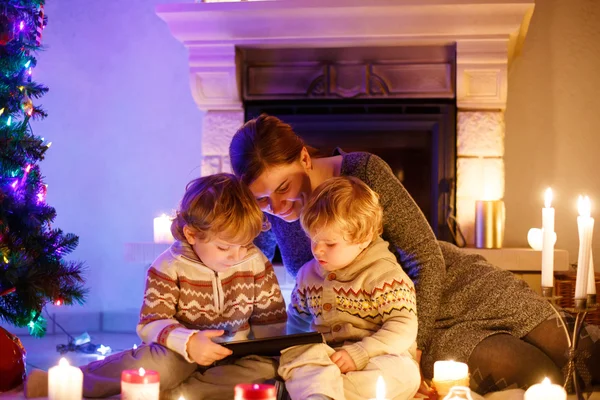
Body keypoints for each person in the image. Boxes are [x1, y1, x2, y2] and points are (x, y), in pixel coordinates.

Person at [229, 114, 600, 394]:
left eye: (284, 187)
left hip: (441, 292)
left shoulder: (363, 171)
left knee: (575, 349)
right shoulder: (265, 216)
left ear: (305, 159)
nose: (276, 205)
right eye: (261, 198)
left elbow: (423, 257)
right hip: (389, 328)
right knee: (537, 376)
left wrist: (416, 347)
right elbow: (237, 265)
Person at [26, 173, 287, 399]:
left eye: (245, 244)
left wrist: (268, 352)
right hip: (177, 354)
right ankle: (63, 380)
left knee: (265, 371)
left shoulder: (255, 263)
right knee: (154, 365)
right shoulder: (167, 267)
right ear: (192, 235)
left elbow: (271, 324)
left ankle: (171, 395)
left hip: (234, 356)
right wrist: (189, 342)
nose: (238, 255)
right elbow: (151, 323)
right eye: (224, 247)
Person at [278, 176, 420, 400]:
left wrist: (361, 353)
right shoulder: (307, 274)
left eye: (330, 244)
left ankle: (323, 393)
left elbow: (403, 327)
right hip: (325, 359)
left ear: (363, 239)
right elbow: (295, 324)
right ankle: (320, 391)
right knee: (299, 360)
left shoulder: (385, 275)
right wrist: (293, 352)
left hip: (375, 358)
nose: (317, 250)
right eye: (313, 240)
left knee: (407, 374)